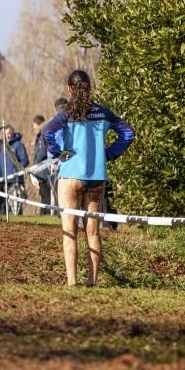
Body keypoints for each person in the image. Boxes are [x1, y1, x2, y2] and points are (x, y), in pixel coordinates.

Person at [43, 70, 134, 287]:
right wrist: (109, 153)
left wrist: (58, 152)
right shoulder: (102, 113)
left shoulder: (65, 114)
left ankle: (72, 283)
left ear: (69, 89)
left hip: (70, 177)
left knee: (70, 232)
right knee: (93, 232)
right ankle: (92, 283)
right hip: (97, 178)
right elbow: (128, 133)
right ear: (90, 88)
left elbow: (47, 132)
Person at [0, 125, 29, 215]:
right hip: (5, 181)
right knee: (7, 207)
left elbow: (25, 160)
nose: (8, 135)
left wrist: (17, 170)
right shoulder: (2, 147)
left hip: (16, 180)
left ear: (13, 133)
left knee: (16, 208)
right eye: (6, 133)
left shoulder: (18, 145)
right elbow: (0, 163)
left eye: (10, 133)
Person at [30, 115, 51, 215]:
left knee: (45, 194)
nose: (33, 129)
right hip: (40, 170)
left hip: (44, 170)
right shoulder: (39, 136)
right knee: (43, 193)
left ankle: (45, 213)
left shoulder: (43, 135)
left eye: (34, 126)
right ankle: (43, 213)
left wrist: (34, 167)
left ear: (38, 125)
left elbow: (42, 153)